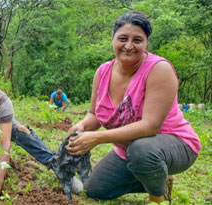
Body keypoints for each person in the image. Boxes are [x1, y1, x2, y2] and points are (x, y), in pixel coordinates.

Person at [66, 12, 200, 203]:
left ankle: (157, 197)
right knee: (95, 189)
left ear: (146, 43)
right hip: (129, 150)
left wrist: (97, 137)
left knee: (142, 151)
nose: (129, 46)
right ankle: (157, 177)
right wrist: (82, 127)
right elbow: (95, 114)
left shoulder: (159, 69)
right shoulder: (103, 72)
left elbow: (150, 127)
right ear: (112, 40)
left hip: (174, 144)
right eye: (123, 38)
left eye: (137, 40)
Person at [0, 61, 82, 195]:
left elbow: (5, 144)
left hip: (0, 123)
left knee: (24, 133)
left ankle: (62, 170)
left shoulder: (2, 101)